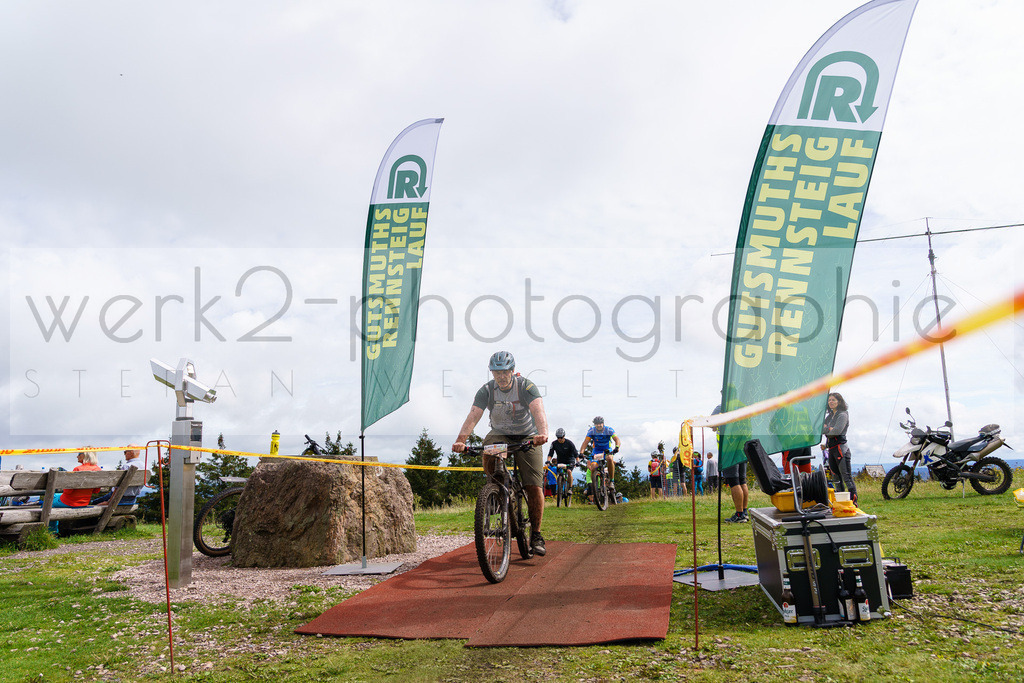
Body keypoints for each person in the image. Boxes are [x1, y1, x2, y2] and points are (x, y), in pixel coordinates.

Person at [453, 351, 549, 556]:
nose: (501, 376)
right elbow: (473, 415)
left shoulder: (526, 386)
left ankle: (537, 535)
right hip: (500, 434)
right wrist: (461, 440)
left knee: (533, 485)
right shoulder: (486, 391)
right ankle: (494, 492)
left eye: (505, 372)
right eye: (496, 372)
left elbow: (538, 410)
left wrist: (542, 433)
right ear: (492, 373)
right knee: (489, 448)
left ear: (512, 371)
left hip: (527, 435)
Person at [49, 449, 102, 534]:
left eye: (79, 454)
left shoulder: (77, 469)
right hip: (84, 502)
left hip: (71, 502)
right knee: (55, 496)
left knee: (49, 501)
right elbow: (96, 490)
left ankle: (51, 532)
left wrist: (64, 487)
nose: (77, 456)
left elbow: (68, 492)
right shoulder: (98, 470)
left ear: (85, 455)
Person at [713, 404, 749, 523]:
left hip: (728, 450)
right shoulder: (742, 405)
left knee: (734, 481)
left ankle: (739, 514)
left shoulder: (722, 407)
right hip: (742, 448)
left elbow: (712, 424)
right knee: (742, 480)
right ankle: (744, 512)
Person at [821, 392, 857, 503]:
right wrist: (828, 430)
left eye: (833, 400)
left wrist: (828, 429)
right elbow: (821, 429)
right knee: (836, 478)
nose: (831, 402)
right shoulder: (829, 416)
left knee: (847, 478)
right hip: (831, 449)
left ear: (839, 402)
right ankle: (841, 503)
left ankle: (853, 502)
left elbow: (836, 431)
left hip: (841, 449)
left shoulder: (843, 414)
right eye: (829, 400)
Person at [579, 416, 621, 493]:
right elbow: (585, 442)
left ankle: (612, 481)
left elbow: (616, 439)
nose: (599, 425)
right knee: (593, 467)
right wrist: (581, 452)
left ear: (603, 423)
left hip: (607, 450)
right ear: (594, 424)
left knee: (609, 459)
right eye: (596, 424)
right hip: (596, 451)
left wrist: (617, 447)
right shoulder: (592, 431)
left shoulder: (609, 430)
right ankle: (595, 487)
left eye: (600, 423)